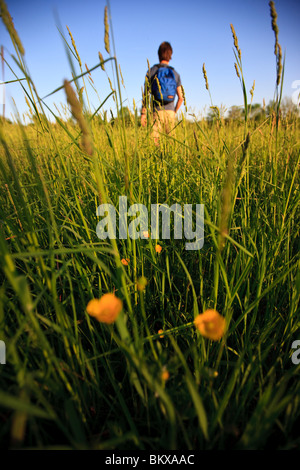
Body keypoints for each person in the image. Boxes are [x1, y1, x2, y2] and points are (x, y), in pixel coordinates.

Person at [141, 41, 183, 145]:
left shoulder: (151, 71)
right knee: (171, 145)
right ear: (170, 55)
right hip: (170, 113)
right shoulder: (175, 73)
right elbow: (181, 97)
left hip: (156, 112)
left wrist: (143, 114)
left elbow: (145, 95)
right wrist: (174, 111)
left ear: (158, 54)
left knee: (155, 143)